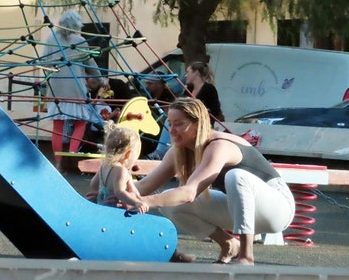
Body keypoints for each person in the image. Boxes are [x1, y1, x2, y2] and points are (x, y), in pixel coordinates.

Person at [95, 98, 295, 265]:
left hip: (276, 209)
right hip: (238, 208)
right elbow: (146, 186)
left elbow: (190, 192)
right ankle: (229, 245)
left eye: (179, 124)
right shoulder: (178, 151)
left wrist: (145, 202)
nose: (172, 130)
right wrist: (109, 194)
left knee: (236, 177)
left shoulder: (219, 146)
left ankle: (246, 255)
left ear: (198, 124)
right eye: (170, 124)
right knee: (168, 203)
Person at [44, 10, 104, 172]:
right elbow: (89, 62)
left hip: (56, 89)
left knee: (58, 125)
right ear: (77, 25)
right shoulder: (80, 40)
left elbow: (44, 63)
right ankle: (70, 156)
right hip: (75, 88)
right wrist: (99, 79)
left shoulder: (51, 38)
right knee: (80, 122)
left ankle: (58, 162)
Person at [89, 121, 149, 214]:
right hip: (115, 210)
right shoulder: (121, 171)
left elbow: (93, 183)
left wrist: (100, 193)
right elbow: (119, 192)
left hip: (102, 205)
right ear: (129, 154)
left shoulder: (104, 165)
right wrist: (136, 203)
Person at [143, 74, 176, 160]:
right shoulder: (150, 95)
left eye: (150, 84)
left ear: (160, 84)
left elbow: (166, 116)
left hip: (160, 129)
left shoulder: (168, 96)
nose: (147, 86)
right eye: (146, 83)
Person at [185, 61, 224, 126]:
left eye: (188, 72)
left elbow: (215, 109)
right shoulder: (189, 89)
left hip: (203, 126)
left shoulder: (209, 88)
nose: (185, 75)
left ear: (196, 73)